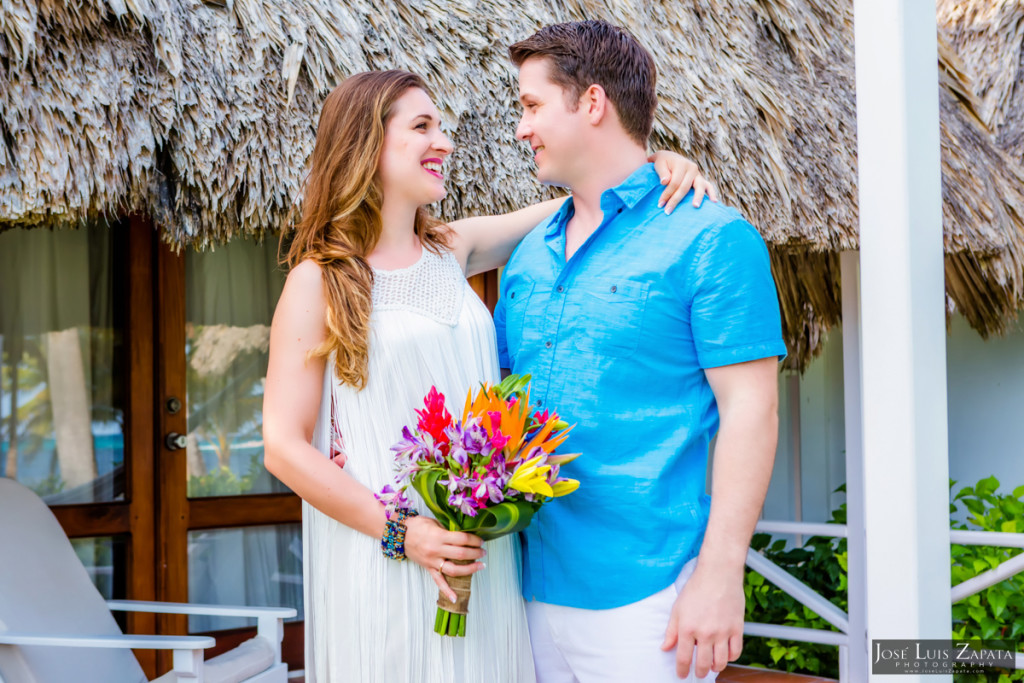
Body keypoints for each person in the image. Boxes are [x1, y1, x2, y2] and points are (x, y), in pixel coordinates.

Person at [262, 69, 712, 682]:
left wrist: (653, 163)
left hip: (481, 558)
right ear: (365, 144)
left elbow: (579, 199)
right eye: (421, 127)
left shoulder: (452, 249)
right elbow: (283, 447)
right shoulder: (318, 280)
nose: (444, 142)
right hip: (389, 554)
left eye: (440, 126)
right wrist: (405, 533)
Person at [494, 21, 788, 683]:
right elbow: (495, 394)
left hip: (650, 596)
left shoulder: (712, 238)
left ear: (591, 104)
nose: (522, 128)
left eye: (531, 106)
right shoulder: (528, 254)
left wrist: (720, 574)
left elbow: (752, 410)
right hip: (524, 587)